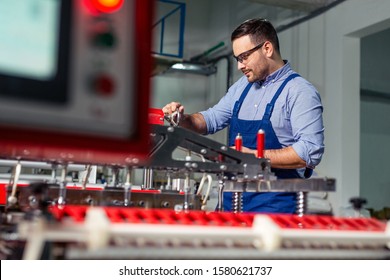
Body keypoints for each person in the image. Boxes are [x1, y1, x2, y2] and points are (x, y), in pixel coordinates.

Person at [162, 18, 324, 214]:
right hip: (232, 205)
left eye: (244, 57)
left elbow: (309, 151)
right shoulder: (242, 87)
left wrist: (255, 157)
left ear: (267, 48)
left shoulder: (299, 91)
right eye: (237, 59)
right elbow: (211, 119)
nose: (240, 66)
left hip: (275, 209)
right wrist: (183, 118)